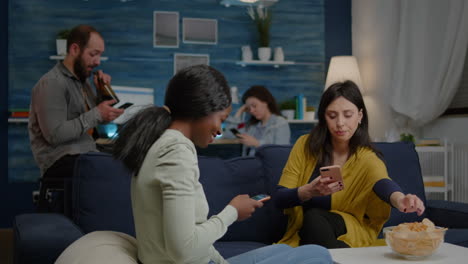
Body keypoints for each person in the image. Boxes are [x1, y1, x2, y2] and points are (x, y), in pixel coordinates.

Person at [112, 65, 332, 264]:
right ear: (201, 110)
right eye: (221, 118)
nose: (219, 130)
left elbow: (191, 240)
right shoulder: (176, 152)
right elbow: (182, 250)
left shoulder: (162, 142)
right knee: (316, 255)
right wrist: (232, 213)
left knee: (287, 249)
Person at [274, 80, 425, 249]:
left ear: (360, 116)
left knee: (314, 218)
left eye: (348, 115)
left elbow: (382, 182)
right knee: (312, 219)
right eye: (332, 116)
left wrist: (401, 199)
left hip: (349, 229)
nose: (340, 123)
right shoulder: (304, 146)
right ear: (323, 117)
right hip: (307, 232)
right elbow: (280, 198)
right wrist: (308, 191)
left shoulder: (366, 157)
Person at [29, 25, 124, 211]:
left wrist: (101, 93)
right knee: (113, 170)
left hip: (84, 154)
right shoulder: (51, 84)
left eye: (100, 55)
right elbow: (55, 135)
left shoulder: (83, 82)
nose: (97, 61)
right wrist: (97, 113)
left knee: (128, 159)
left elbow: (95, 123)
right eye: (93, 54)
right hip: (60, 161)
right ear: (74, 49)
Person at [225, 85, 290, 156]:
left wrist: (256, 143)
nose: (251, 111)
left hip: (270, 166)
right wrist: (239, 112)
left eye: (254, 106)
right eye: (248, 108)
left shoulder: (280, 123)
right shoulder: (251, 126)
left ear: (265, 102)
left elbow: (282, 152)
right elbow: (229, 134)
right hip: (251, 164)